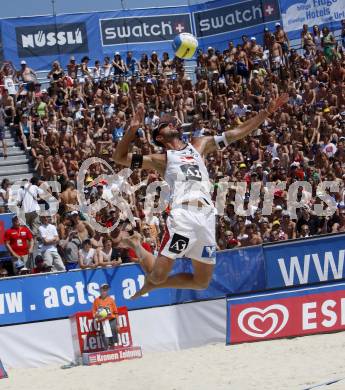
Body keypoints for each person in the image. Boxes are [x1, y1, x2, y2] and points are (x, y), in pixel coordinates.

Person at [114, 94, 288, 298]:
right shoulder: (161, 159)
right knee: (158, 275)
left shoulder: (199, 144)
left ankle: (154, 284)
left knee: (201, 282)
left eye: (170, 122)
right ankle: (137, 246)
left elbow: (237, 133)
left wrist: (265, 112)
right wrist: (132, 129)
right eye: (164, 124)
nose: (170, 124)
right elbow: (119, 158)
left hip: (206, 217)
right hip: (184, 217)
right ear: (159, 137)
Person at [92, 283, 119, 350]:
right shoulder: (96, 300)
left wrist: (118, 324)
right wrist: (98, 316)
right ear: (100, 290)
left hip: (111, 320)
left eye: (106, 290)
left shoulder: (111, 299)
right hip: (102, 320)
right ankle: (106, 349)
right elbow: (94, 313)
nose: (105, 291)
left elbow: (116, 312)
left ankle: (113, 349)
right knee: (104, 336)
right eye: (103, 289)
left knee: (113, 334)